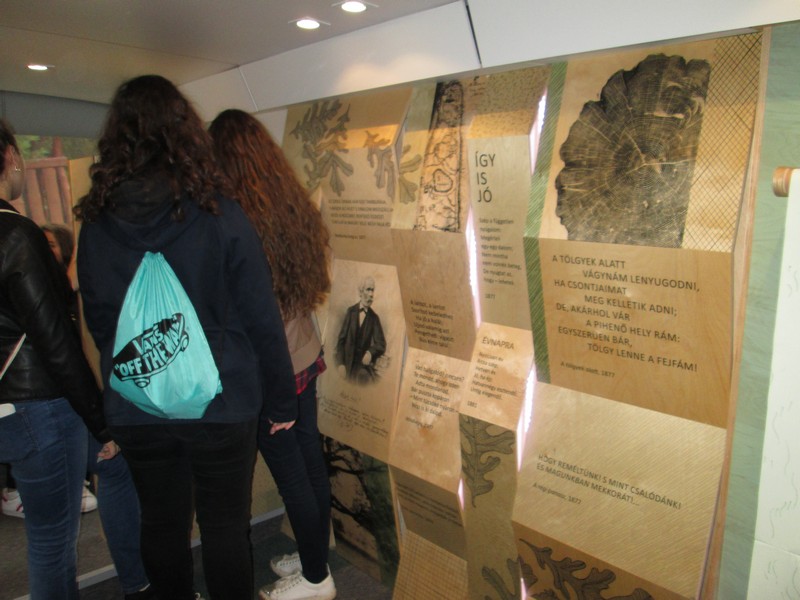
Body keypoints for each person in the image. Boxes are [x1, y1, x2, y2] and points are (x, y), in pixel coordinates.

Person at [75, 75, 297, 600]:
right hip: (223, 399)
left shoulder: (96, 225)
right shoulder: (220, 212)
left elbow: (101, 320)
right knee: (225, 525)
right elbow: (261, 315)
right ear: (186, 130)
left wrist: (137, 378)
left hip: (140, 404)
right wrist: (281, 398)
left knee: (161, 522)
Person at [209, 109, 336, 600]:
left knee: (292, 475)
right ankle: (315, 555)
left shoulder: (236, 218)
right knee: (309, 462)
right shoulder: (289, 203)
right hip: (303, 350)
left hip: (271, 365)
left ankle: (316, 579)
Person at [0, 119, 119, 599]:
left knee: (43, 534)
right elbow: (55, 339)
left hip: (8, 408)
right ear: (11, 157)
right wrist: (100, 423)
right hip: (41, 407)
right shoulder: (15, 234)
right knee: (53, 540)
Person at [335, 276, 386, 384]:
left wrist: (370, 353)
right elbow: (341, 341)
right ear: (360, 292)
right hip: (346, 366)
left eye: (372, 290)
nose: (371, 294)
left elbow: (381, 344)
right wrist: (340, 364)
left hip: (361, 368)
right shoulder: (350, 312)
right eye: (368, 289)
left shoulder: (374, 318)